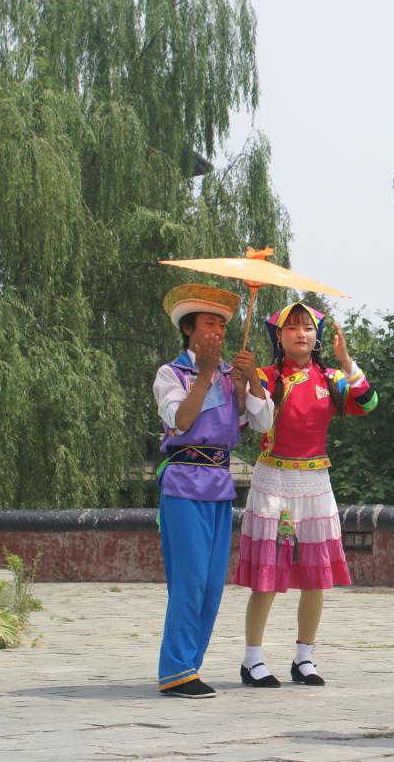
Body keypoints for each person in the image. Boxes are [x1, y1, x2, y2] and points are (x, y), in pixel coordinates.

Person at [234, 301, 378, 688]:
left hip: (315, 482)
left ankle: (304, 657)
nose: (301, 333)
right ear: (278, 337)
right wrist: (246, 382)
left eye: (308, 327)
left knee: (316, 575)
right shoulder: (264, 376)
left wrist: (346, 361)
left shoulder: (332, 379)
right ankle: (252, 659)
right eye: (293, 327)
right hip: (274, 483)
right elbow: (250, 422)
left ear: (317, 337)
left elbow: (369, 402)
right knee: (268, 572)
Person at [152, 284, 273, 699]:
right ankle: (176, 669)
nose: (218, 332)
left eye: (222, 325)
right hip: (184, 481)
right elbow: (182, 420)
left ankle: (189, 666)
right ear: (189, 330)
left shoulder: (229, 376)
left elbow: (260, 423)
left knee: (210, 584)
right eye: (209, 324)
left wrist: (249, 381)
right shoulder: (172, 374)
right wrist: (205, 376)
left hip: (220, 484)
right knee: (189, 579)